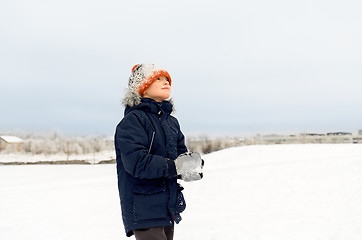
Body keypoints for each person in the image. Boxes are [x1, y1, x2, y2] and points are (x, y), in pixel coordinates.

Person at [114, 64, 203, 239]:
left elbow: (179, 157)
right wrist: (175, 166)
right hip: (143, 205)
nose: (166, 82)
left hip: (167, 204)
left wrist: (189, 166)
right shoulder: (133, 121)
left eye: (167, 79)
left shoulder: (171, 122)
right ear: (142, 87)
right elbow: (136, 162)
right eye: (158, 79)